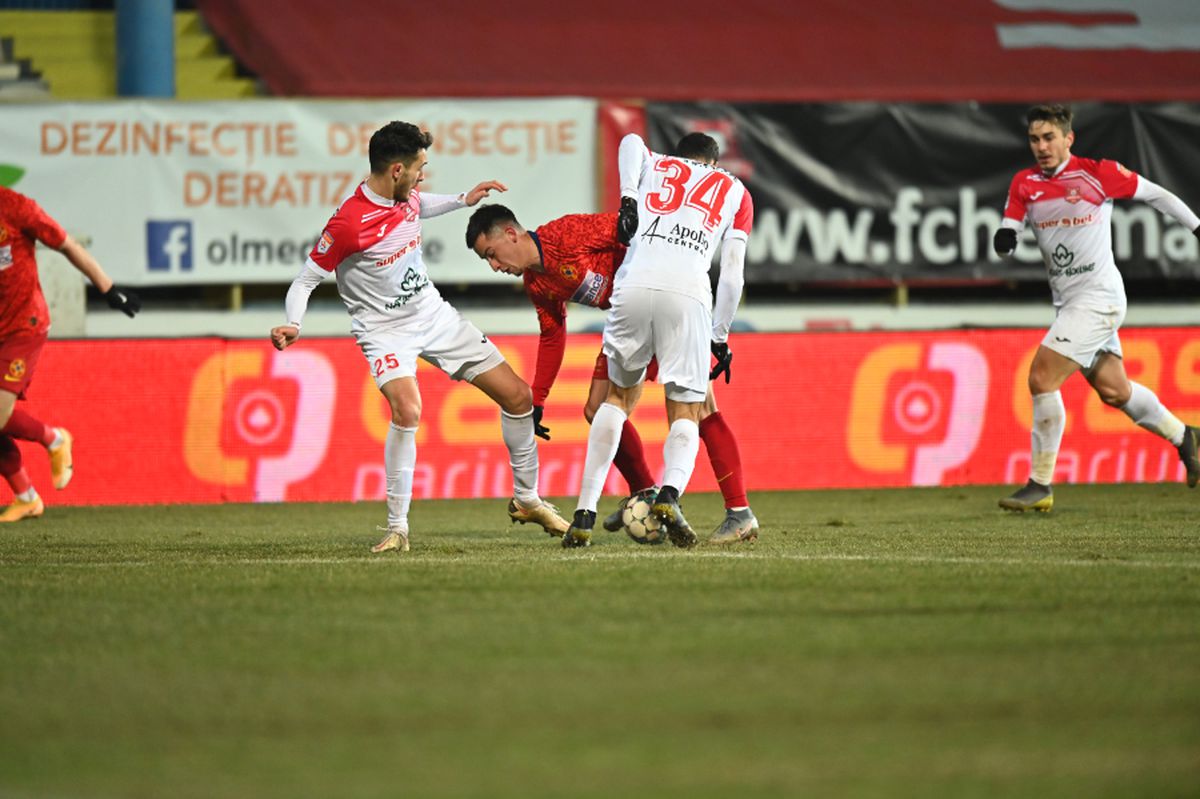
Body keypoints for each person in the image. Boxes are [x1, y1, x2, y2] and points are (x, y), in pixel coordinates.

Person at [270, 121, 567, 552]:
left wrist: (464, 200)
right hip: (385, 331)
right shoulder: (349, 224)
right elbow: (305, 280)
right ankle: (398, 528)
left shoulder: (403, 197)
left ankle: (527, 499)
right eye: (419, 167)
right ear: (396, 170)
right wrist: (294, 323)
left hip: (433, 315)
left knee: (519, 398)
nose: (422, 174)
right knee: (408, 410)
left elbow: (419, 205)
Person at [464, 203, 759, 543]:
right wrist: (539, 399)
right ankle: (647, 494)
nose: (494, 266)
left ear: (511, 234)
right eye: (486, 261)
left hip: (663, 300)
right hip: (628, 319)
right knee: (598, 407)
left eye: (491, 254)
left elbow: (631, 227)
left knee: (699, 407)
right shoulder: (538, 284)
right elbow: (553, 335)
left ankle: (738, 511)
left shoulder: (566, 234)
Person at [993, 104, 1200, 512]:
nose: (1041, 147)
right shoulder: (1024, 183)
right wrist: (1006, 238)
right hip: (1069, 302)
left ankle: (1040, 484)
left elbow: (1157, 195)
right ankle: (1186, 437)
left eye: (1049, 137)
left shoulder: (1097, 173)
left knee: (1041, 378)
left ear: (1069, 138)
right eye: (1034, 139)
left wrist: (1198, 227)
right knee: (1115, 391)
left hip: (1099, 298)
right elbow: (1010, 223)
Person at [558, 131, 753, 548]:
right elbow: (733, 276)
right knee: (687, 407)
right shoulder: (735, 190)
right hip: (688, 294)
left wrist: (629, 197)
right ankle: (669, 494)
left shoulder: (655, 162)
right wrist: (719, 336)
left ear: (679, 156)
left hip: (633, 284)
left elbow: (629, 140)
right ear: (714, 164)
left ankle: (583, 513)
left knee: (615, 401)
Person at [0, 185, 141, 522]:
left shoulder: (15, 207)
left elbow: (66, 244)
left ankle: (54, 438)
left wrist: (108, 288)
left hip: (23, 326)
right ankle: (26, 497)